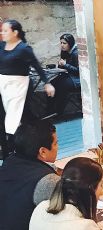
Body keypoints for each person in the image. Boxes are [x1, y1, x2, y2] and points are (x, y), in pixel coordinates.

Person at [0, 19, 55, 159]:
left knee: (21, 119)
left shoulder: (24, 49)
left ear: (15, 32)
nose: (2, 33)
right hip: (4, 87)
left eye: (5, 30)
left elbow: (37, 66)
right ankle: (7, 152)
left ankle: (26, 148)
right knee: (4, 120)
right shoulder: (2, 46)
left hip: (20, 88)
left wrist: (47, 83)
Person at [29, 157, 103, 230]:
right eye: (101, 185)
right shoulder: (84, 226)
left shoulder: (40, 208)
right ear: (90, 189)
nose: (102, 190)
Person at [0, 120, 60, 230]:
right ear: (42, 152)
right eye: (56, 143)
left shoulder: (9, 162)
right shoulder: (48, 181)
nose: (58, 147)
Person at [46, 34, 80, 118]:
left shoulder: (76, 53)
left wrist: (65, 65)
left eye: (64, 43)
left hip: (76, 79)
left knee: (62, 86)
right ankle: (49, 109)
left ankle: (58, 111)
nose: (62, 45)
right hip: (69, 76)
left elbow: (79, 71)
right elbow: (63, 67)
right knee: (52, 83)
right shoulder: (66, 52)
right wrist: (61, 64)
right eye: (61, 43)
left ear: (70, 43)